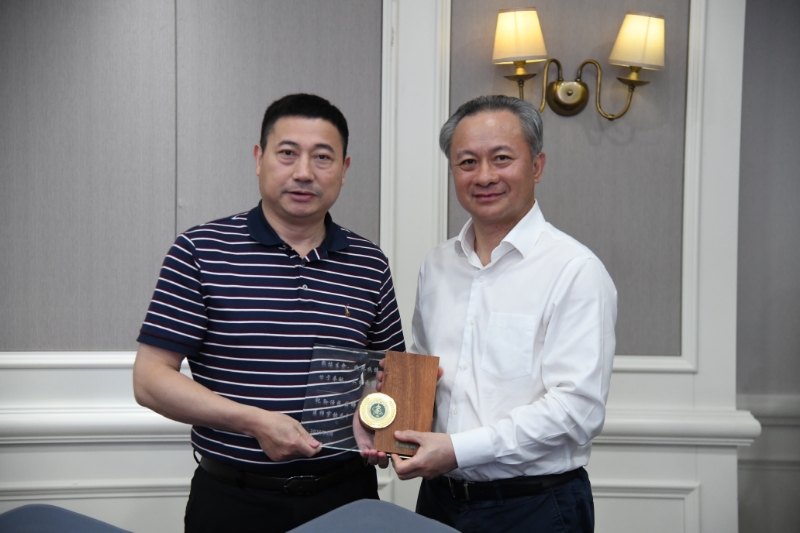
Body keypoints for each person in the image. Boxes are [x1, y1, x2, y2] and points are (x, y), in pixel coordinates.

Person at [133, 93, 405, 533]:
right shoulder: (200, 251)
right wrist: (254, 422)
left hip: (347, 495)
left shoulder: (368, 263)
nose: (304, 172)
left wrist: (380, 421)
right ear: (259, 159)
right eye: (287, 153)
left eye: (322, 157)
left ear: (344, 169)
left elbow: (390, 372)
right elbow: (149, 380)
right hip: (233, 501)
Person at [391, 95, 617, 533]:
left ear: (537, 166)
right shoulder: (437, 266)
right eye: (467, 162)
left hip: (535, 507)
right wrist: (389, 416)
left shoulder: (574, 270)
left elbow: (576, 410)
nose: (484, 176)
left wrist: (459, 450)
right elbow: (426, 371)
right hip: (439, 499)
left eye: (501, 158)